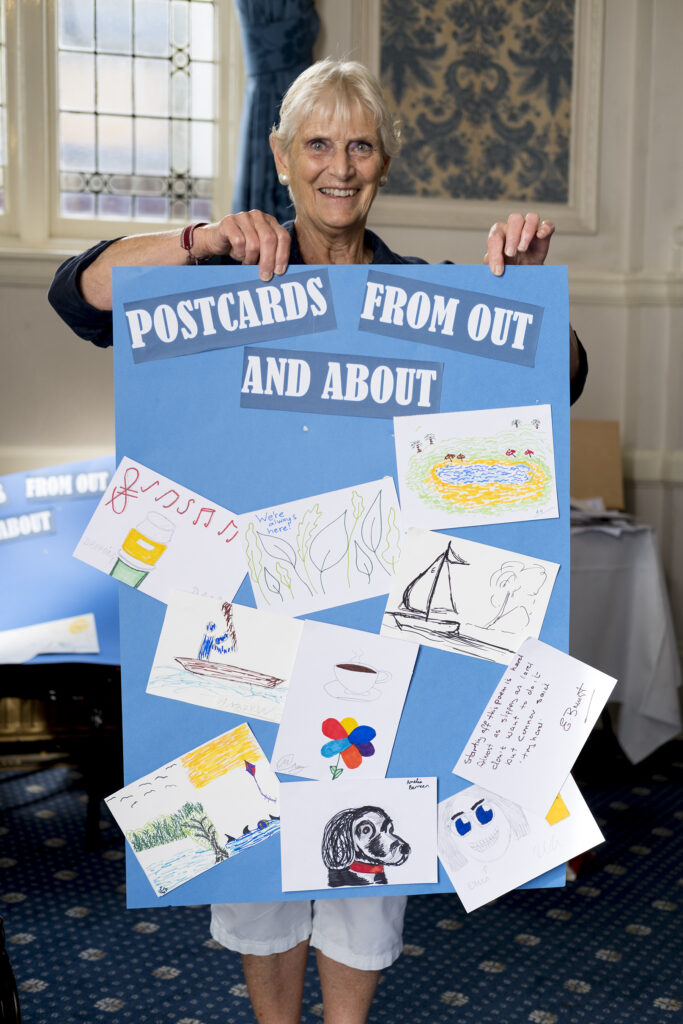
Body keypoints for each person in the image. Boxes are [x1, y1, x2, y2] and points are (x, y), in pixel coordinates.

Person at [49, 57, 587, 1024]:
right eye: (317, 143)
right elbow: (77, 296)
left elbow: (559, 382)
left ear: (383, 160)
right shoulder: (213, 279)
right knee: (253, 859)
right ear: (280, 157)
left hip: (384, 637)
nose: (339, 165)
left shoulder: (428, 295)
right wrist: (200, 236)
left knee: (367, 865)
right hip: (240, 631)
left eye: (360, 143)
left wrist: (532, 300)